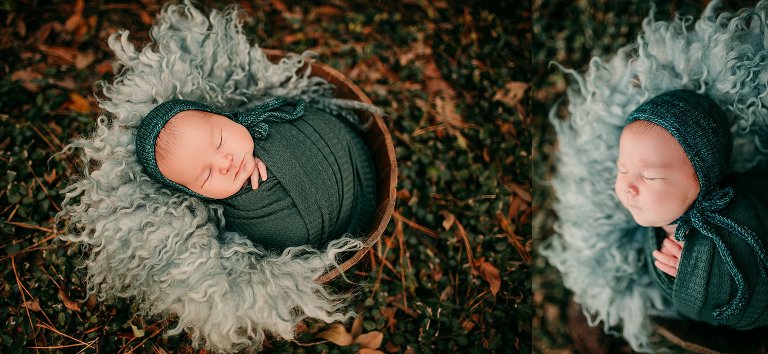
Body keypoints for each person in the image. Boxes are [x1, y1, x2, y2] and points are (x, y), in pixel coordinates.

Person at [135, 97, 377, 251]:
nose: (224, 164)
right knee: (289, 232)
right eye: (207, 176)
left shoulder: (268, 121)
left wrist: (271, 152)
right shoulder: (236, 218)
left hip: (347, 159)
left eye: (220, 141)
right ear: (194, 193)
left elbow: (304, 118)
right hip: (328, 232)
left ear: (226, 117)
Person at [614, 89, 768, 329]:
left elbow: (758, 283)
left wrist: (701, 273)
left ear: (701, 180)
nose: (628, 187)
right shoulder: (656, 221)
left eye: (650, 176)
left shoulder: (736, 217)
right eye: (622, 170)